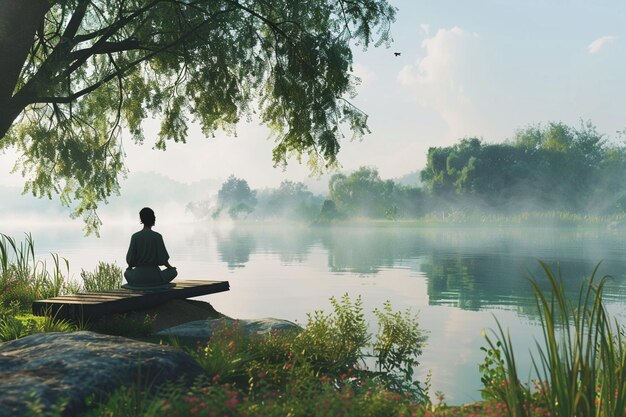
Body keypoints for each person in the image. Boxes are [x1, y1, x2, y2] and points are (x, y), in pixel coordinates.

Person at [124, 207, 178, 287]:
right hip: (155, 277)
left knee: (126, 273)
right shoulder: (157, 236)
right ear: (153, 219)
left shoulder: (135, 237)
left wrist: (130, 267)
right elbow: (163, 260)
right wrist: (171, 267)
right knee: (174, 272)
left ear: (141, 220)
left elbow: (130, 261)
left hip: (138, 278)